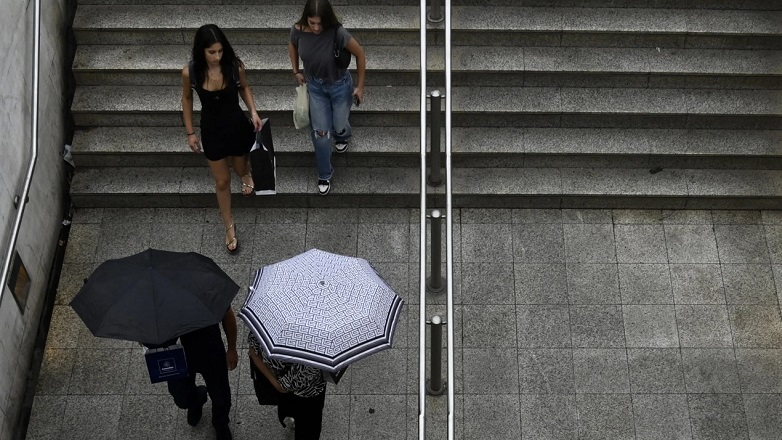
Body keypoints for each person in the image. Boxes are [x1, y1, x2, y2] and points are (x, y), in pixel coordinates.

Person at [182, 24, 263, 252]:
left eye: (220, 51)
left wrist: (253, 112)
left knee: (240, 167)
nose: (217, 56)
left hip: (237, 126)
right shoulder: (191, 72)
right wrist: (190, 132)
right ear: (201, 51)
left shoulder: (234, 67)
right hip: (212, 131)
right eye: (212, 52)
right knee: (222, 181)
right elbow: (186, 98)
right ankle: (229, 226)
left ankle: (245, 173)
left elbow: (244, 88)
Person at [288, 0, 367, 196]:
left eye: (320, 23)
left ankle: (342, 134)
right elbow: (292, 44)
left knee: (339, 124)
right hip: (316, 88)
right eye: (312, 23)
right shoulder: (298, 30)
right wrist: (296, 70)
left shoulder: (338, 32)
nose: (316, 28)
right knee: (321, 133)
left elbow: (360, 54)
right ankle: (324, 173)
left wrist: (360, 87)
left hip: (339, 85)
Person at [146, 308, 239, 440]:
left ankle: (220, 423)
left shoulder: (208, 294)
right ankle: (197, 399)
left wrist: (232, 349)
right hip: (177, 354)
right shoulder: (157, 301)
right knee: (181, 397)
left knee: (221, 395)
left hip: (210, 348)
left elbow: (227, 315)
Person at [248, 332, 327, 439]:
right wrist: (278, 385)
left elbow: (253, 350)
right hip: (309, 394)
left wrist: (273, 380)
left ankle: (291, 415)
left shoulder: (268, 328)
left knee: (289, 407)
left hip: (282, 385)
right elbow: (285, 385)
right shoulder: (317, 344)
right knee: (308, 429)